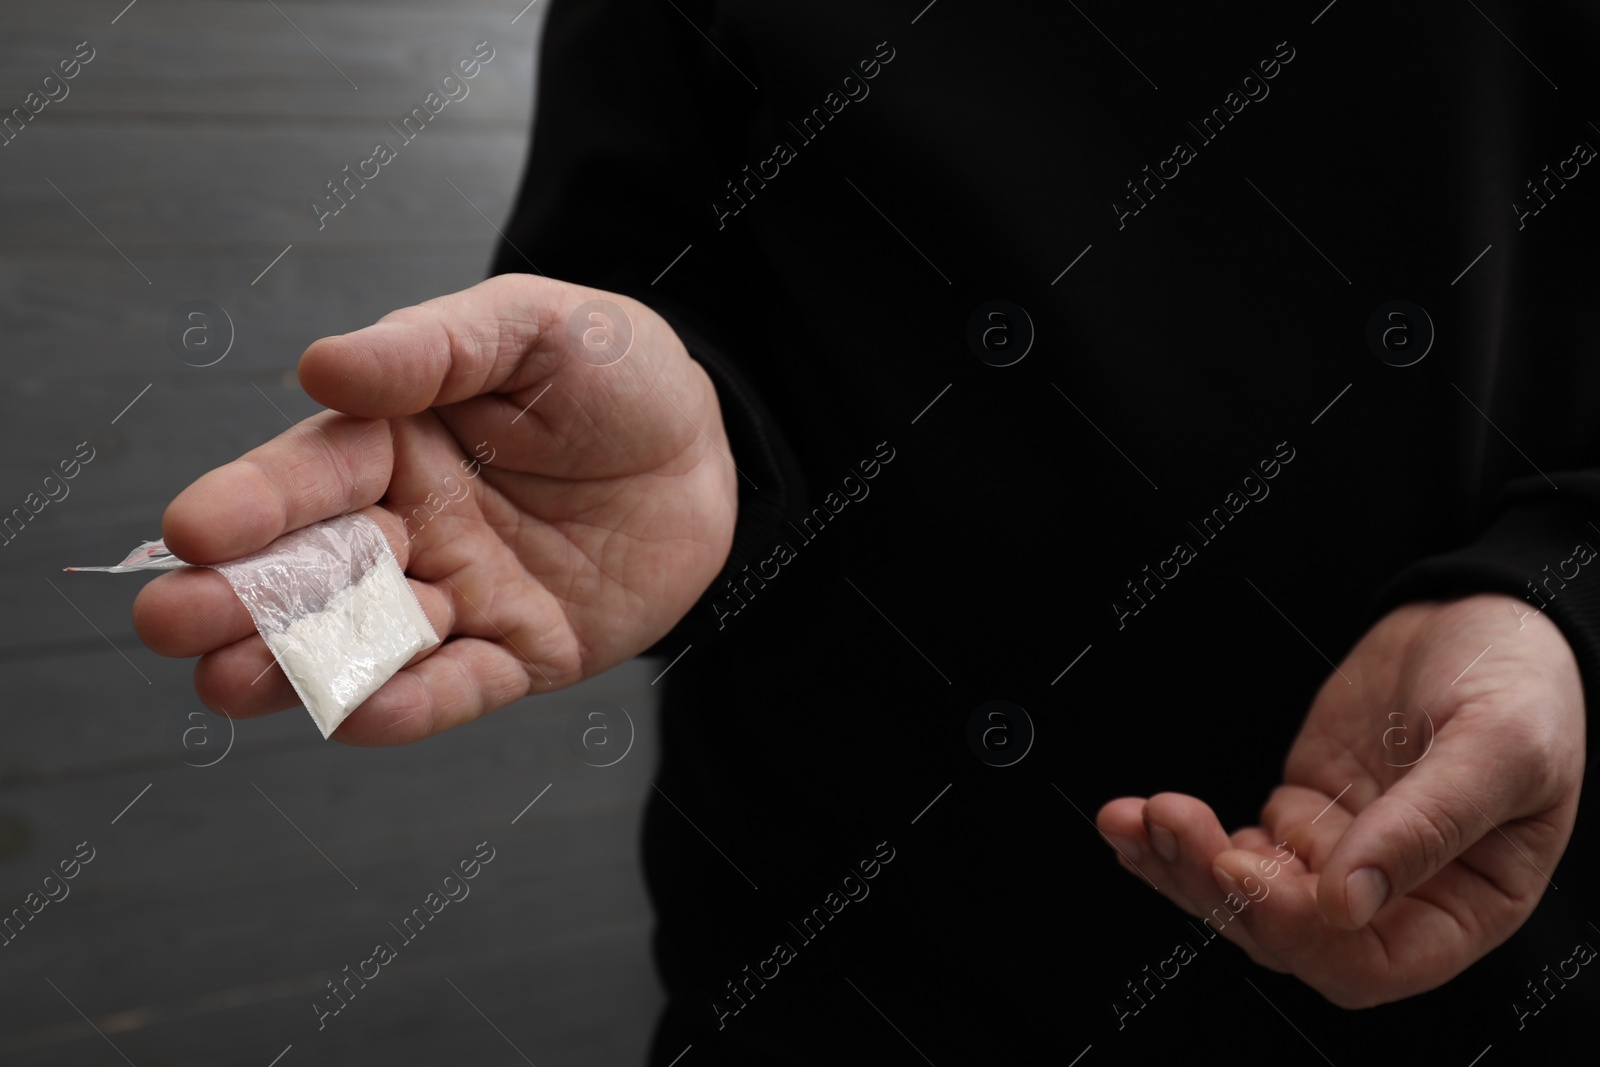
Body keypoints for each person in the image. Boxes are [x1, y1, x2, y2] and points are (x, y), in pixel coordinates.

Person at [133, 1, 1600, 1061]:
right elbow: (622, 315)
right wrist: (696, 454)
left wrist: (1556, 598)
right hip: (842, 971)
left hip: (1482, 937)